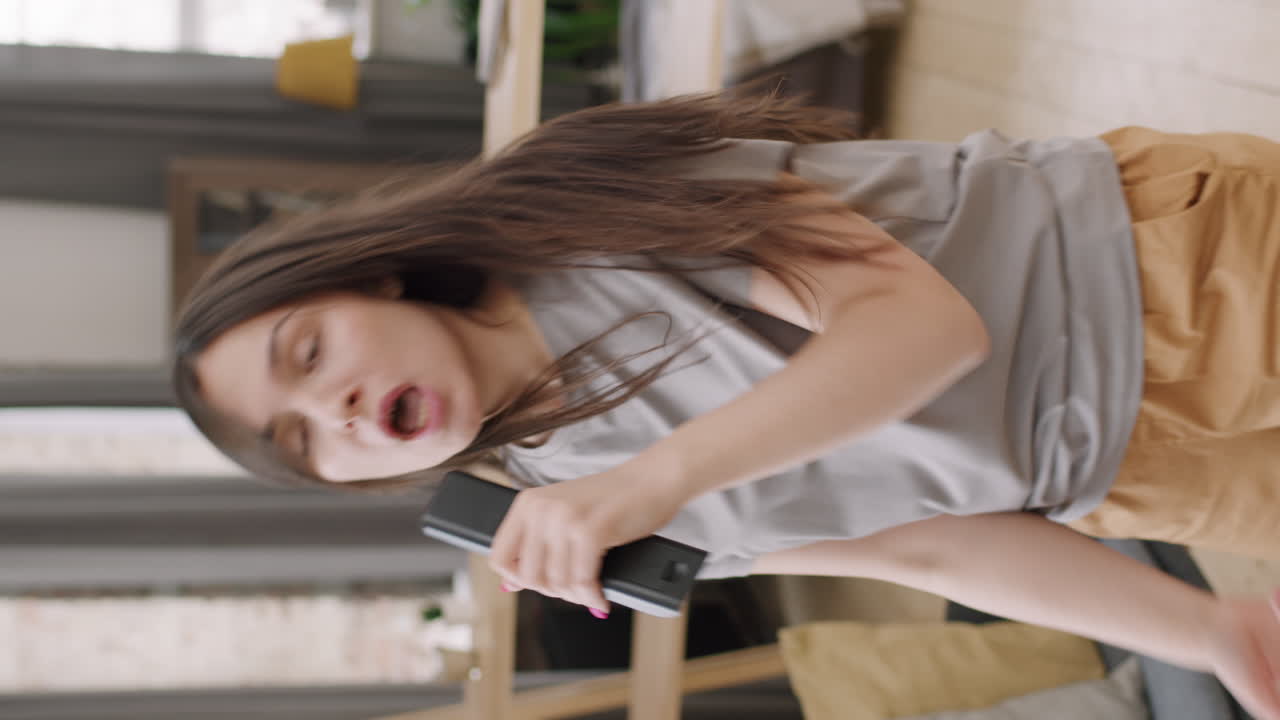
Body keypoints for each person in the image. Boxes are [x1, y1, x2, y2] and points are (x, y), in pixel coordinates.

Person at [174, 92, 1280, 718]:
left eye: (309, 352)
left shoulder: (574, 206)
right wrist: (1206, 629)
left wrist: (647, 482)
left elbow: (921, 328)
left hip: (1159, 275)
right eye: (307, 440)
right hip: (1129, 472)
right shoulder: (594, 508)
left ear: (371, 274)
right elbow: (925, 551)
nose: (343, 409)